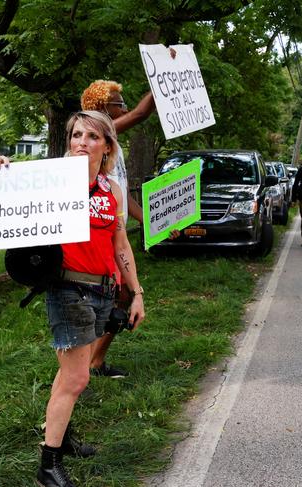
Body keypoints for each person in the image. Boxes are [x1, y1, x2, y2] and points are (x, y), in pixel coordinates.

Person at [0, 111, 145, 487]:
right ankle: (48, 466)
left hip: (101, 290)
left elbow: (121, 243)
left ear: (107, 145)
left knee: (69, 373)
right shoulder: (51, 180)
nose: (82, 142)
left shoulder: (110, 189)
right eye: (76, 134)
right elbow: (9, 187)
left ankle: (60, 439)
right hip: (67, 289)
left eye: (92, 137)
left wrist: (136, 292)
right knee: (78, 377)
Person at [80, 79, 179, 378]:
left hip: (115, 231)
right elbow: (139, 114)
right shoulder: (96, 136)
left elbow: (121, 193)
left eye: (122, 104)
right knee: (115, 296)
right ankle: (87, 362)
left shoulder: (112, 146)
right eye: (118, 103)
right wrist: (162, 79)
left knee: (121, 296)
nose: (123, 108)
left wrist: (149, 220)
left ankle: (93, 360)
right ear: (101, 108)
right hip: (97, 233)